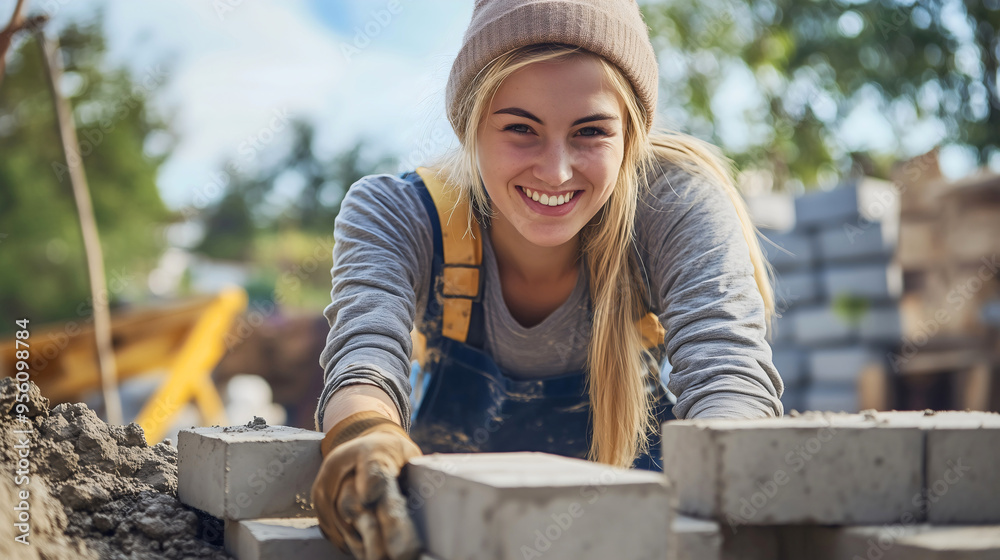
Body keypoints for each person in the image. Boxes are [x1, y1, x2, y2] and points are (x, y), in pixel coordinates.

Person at [311, 1, 784, 558]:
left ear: (630, 136)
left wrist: (720, 521)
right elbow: (364, 357)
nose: (556, 171)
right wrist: (363, 440)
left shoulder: (672, 206)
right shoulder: (399, 214)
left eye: (590, 132)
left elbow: (728, 377)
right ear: (468, 126)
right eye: (520, 129)